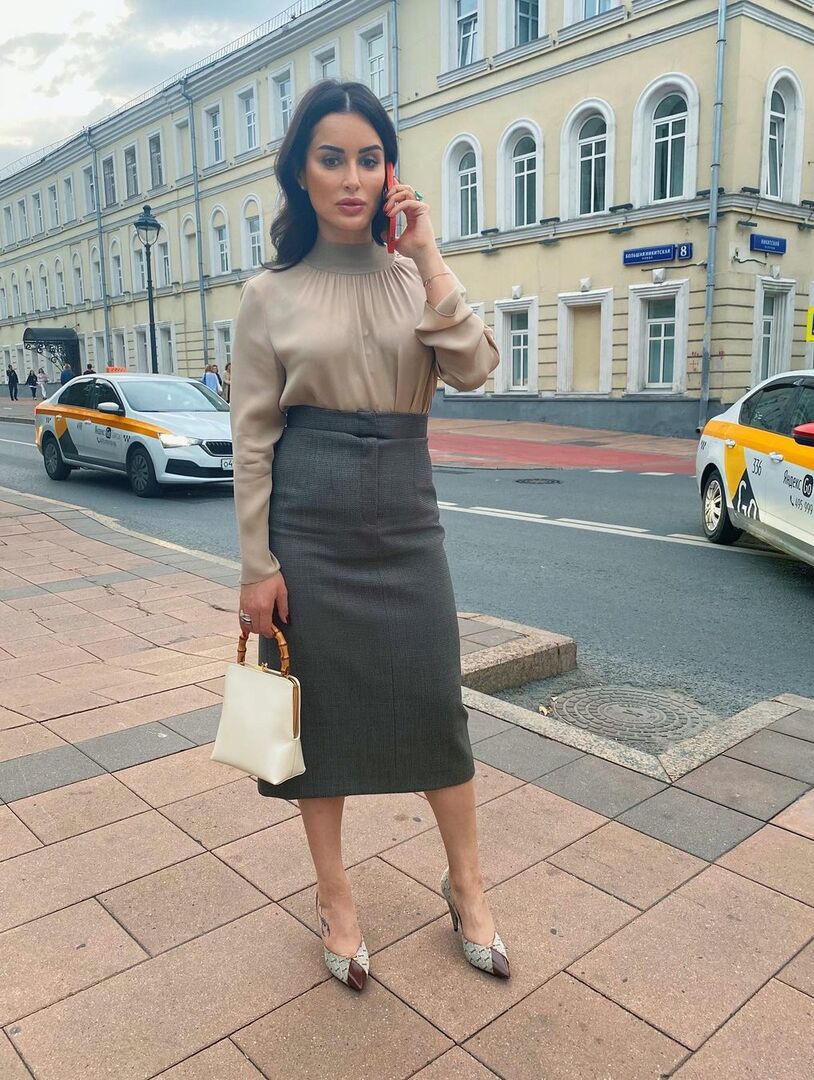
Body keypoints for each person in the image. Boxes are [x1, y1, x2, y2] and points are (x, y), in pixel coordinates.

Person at [231, 79, 504, 994]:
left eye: (369, 158)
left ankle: (467, 885)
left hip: (405, 520)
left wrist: (427, 255)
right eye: (331, 158)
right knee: (321, 725)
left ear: (390, 172)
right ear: (301, 173)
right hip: (307, 527)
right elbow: (252, 440)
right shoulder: (268, 294)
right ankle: (335, 898)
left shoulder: (413, 277)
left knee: (436, 707)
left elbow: (475, 369)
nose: (352, 177)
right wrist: (257, 566)